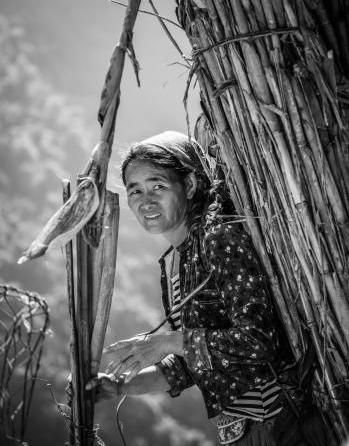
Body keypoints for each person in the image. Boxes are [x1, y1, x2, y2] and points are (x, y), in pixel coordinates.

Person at [86, 131, 333, 445]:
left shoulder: (217, 238)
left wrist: (169, 341)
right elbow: (193, 362)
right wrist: (119, 386)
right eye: (135, 190)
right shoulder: (176, 263)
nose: (145, 200)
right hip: (240, 433)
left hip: (277, 422)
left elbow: (259, 341)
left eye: (158, 186)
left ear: (189, 186)